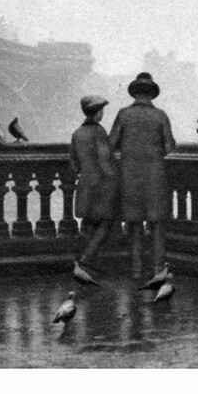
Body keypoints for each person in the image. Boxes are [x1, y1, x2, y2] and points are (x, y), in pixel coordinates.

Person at [108, 72, 177, 278]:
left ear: (135, 93)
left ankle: (136, 269)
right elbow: (169, 146)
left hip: (130, 176)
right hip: (155, 176)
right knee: (157, 225)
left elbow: (111, 144)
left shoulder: (123, 114)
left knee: (134, 224)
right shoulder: (161, 115)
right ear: (151, 94)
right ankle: (157, 269)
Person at [71, 95, 119, 267]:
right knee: (106, 222)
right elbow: (105, 160)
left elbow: (74, 165)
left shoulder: (77, 133)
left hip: (85, 184)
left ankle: (85, 259)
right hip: (101, 185)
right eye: (101, 111)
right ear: (97, 113)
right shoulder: (99, 131)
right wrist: (116, 179)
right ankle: (87, 257)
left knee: (89, 222)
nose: (102, 114)